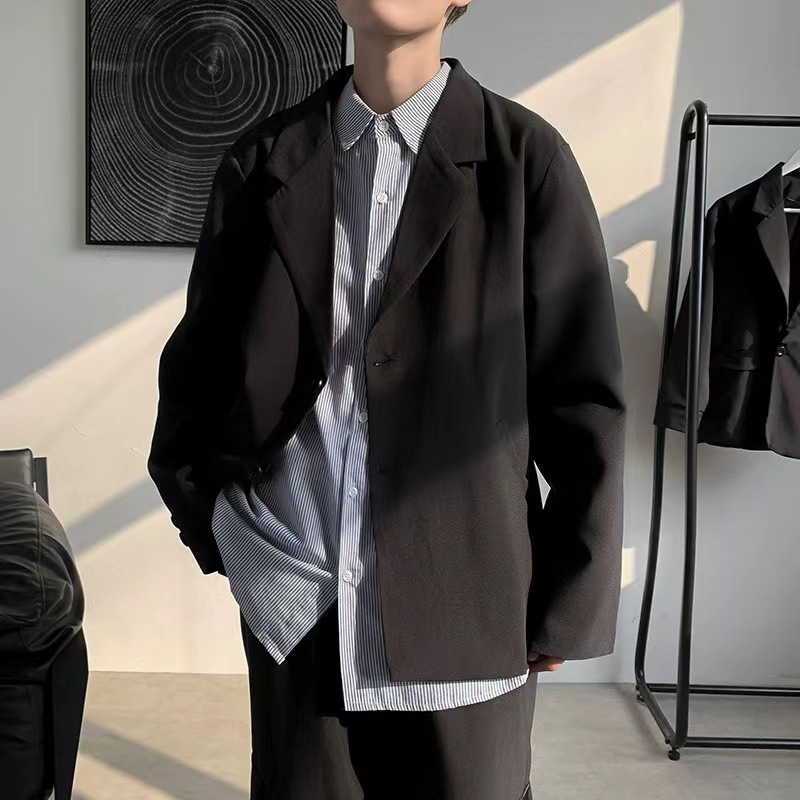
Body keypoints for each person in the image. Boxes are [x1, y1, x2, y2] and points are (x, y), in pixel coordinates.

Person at [147, 1, 627, 798]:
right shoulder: (261, 159)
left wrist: (568, 600)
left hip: (469, 605)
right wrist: (230, 531)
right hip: (301, 599)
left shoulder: (525, 159)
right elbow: (196, 375)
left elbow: (584, 399)